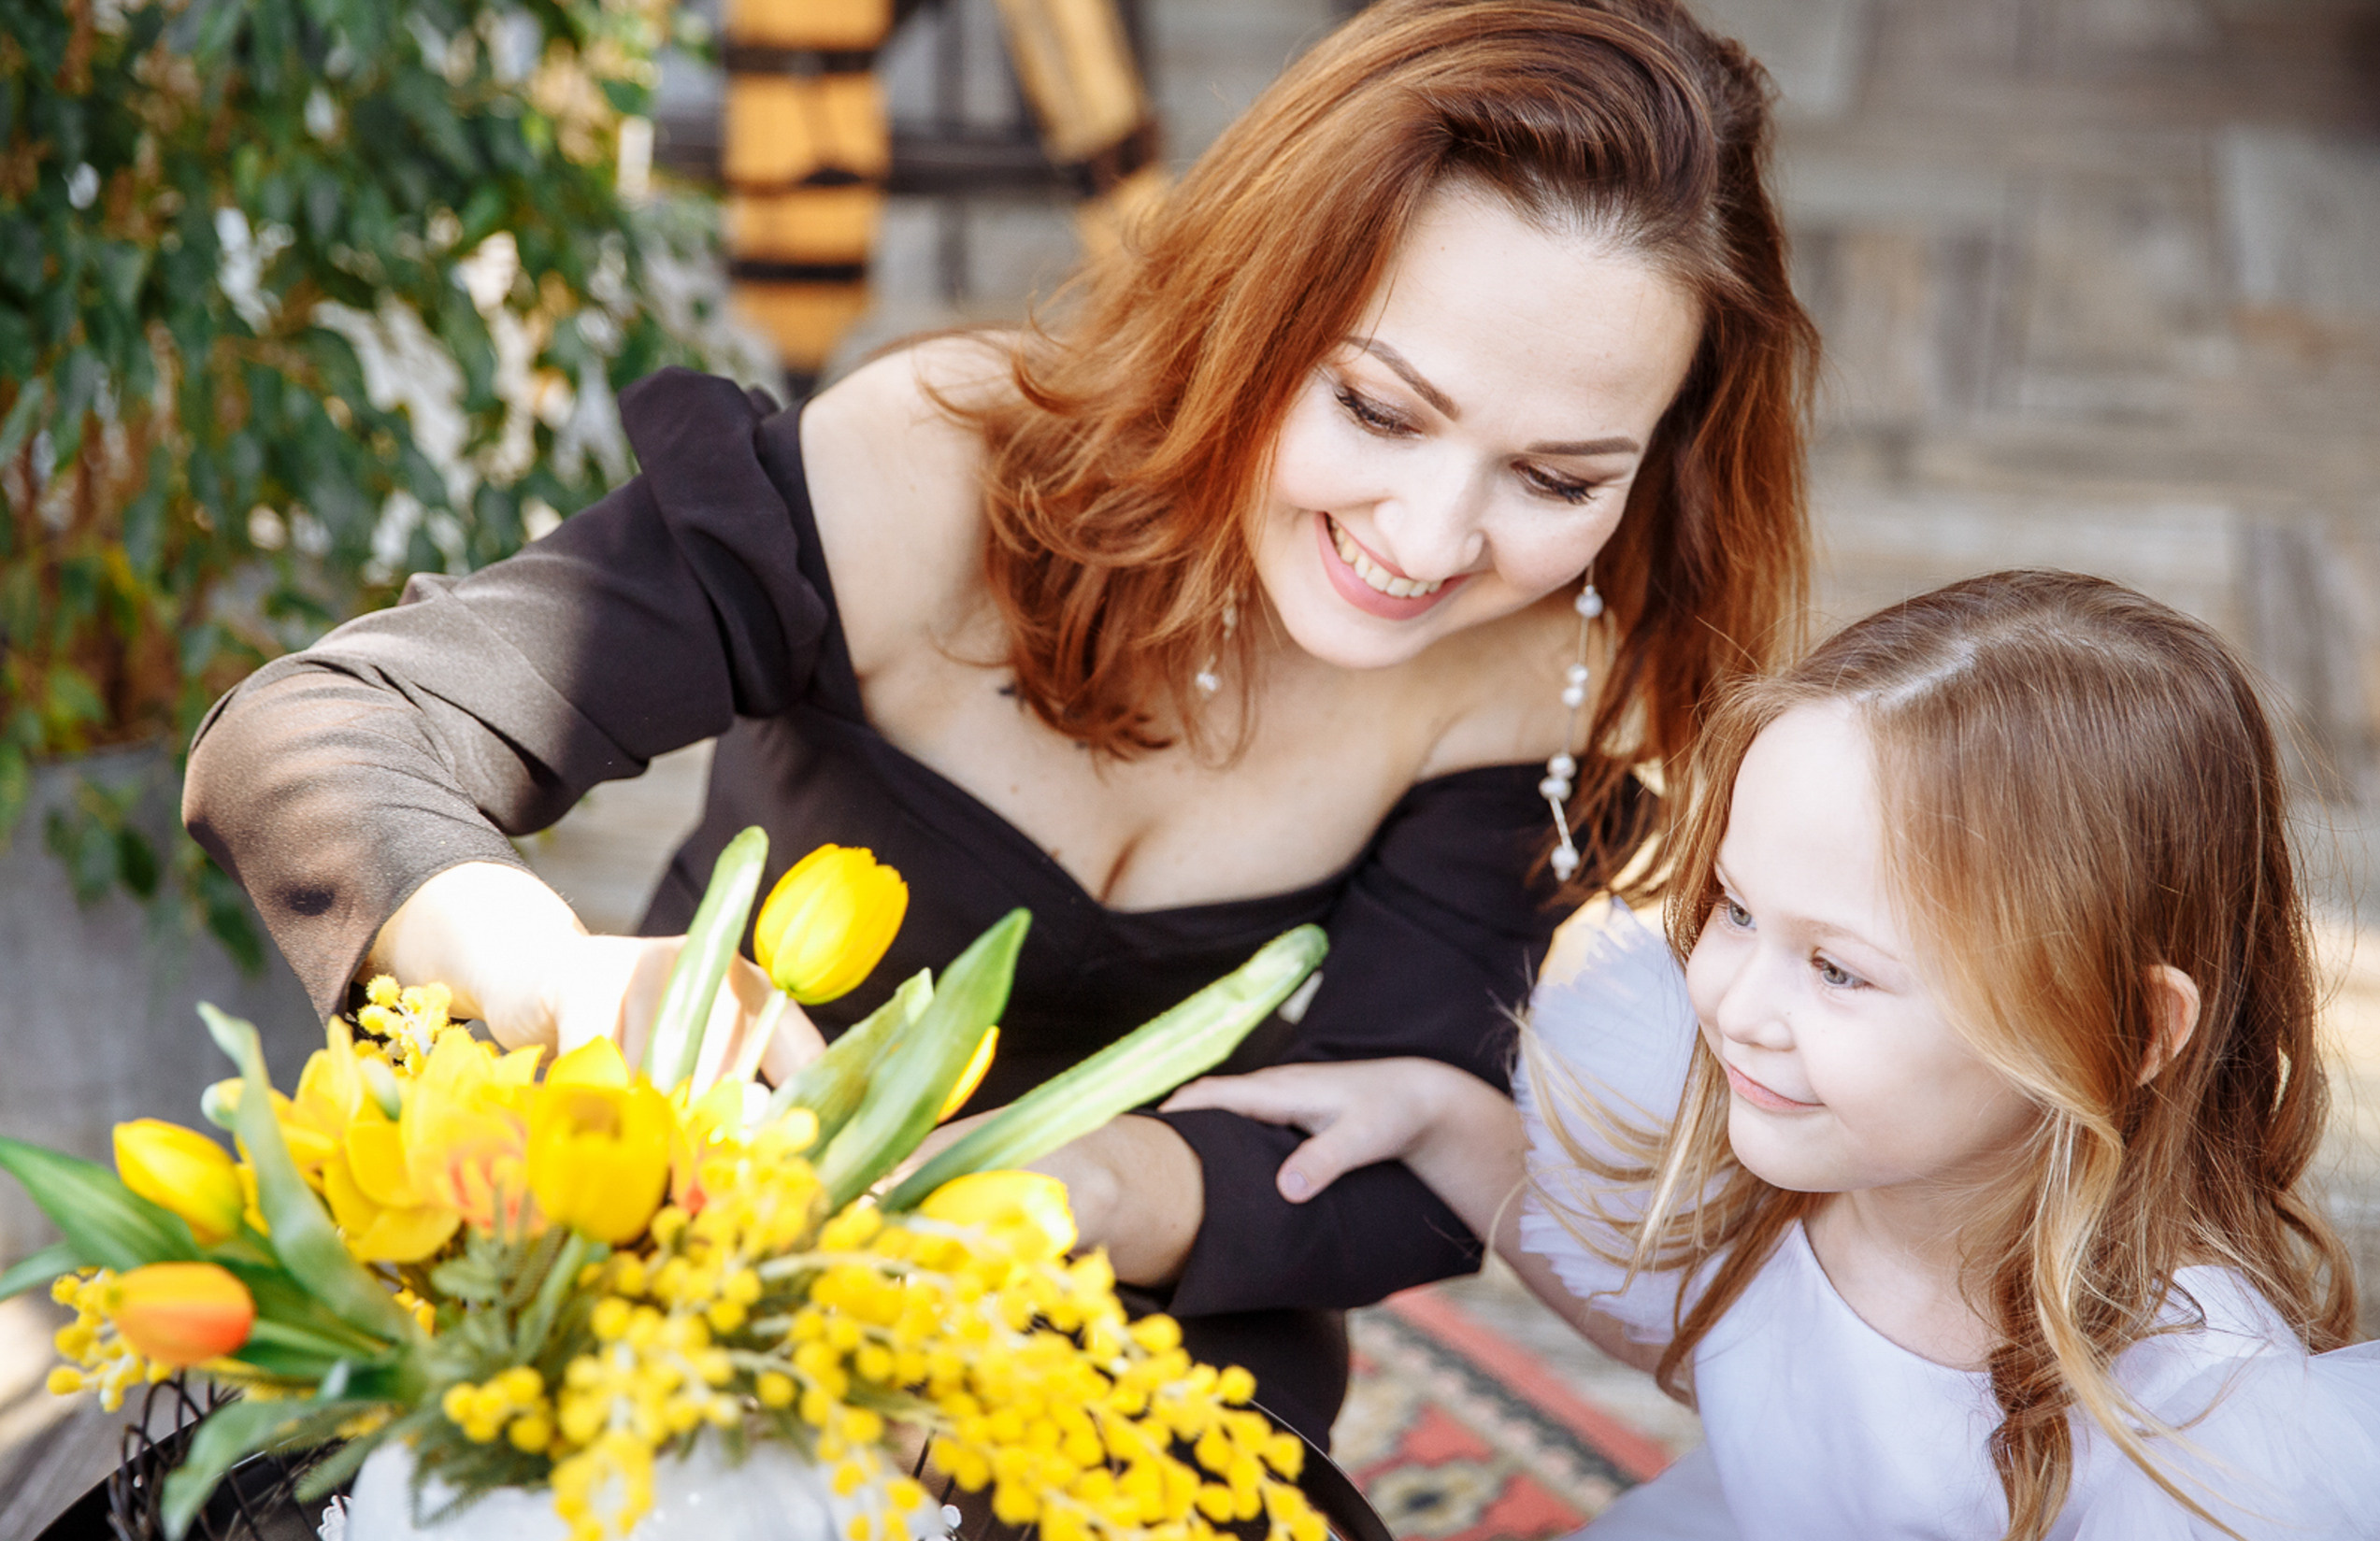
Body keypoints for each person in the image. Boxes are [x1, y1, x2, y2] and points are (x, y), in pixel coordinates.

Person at [180, 0, 1816, 1444]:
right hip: (675, 1249)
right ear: (1251, 312)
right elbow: (322, 733)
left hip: (1137, 1369)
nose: (1433, 537)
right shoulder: (942, 471)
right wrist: (569, 982)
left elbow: (1399, 1139)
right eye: (1378, 408)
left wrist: (1084, 1197)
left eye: (1558, 479)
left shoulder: (1541, 663)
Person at [1169, 569, 2380, 1541]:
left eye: (1843, 973)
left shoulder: (2192, 1412)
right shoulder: (1822, 1151)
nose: (1738, 1006)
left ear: (2126, 1028)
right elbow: (1704, 1336)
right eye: (1739, 912)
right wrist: (1439, 1121)